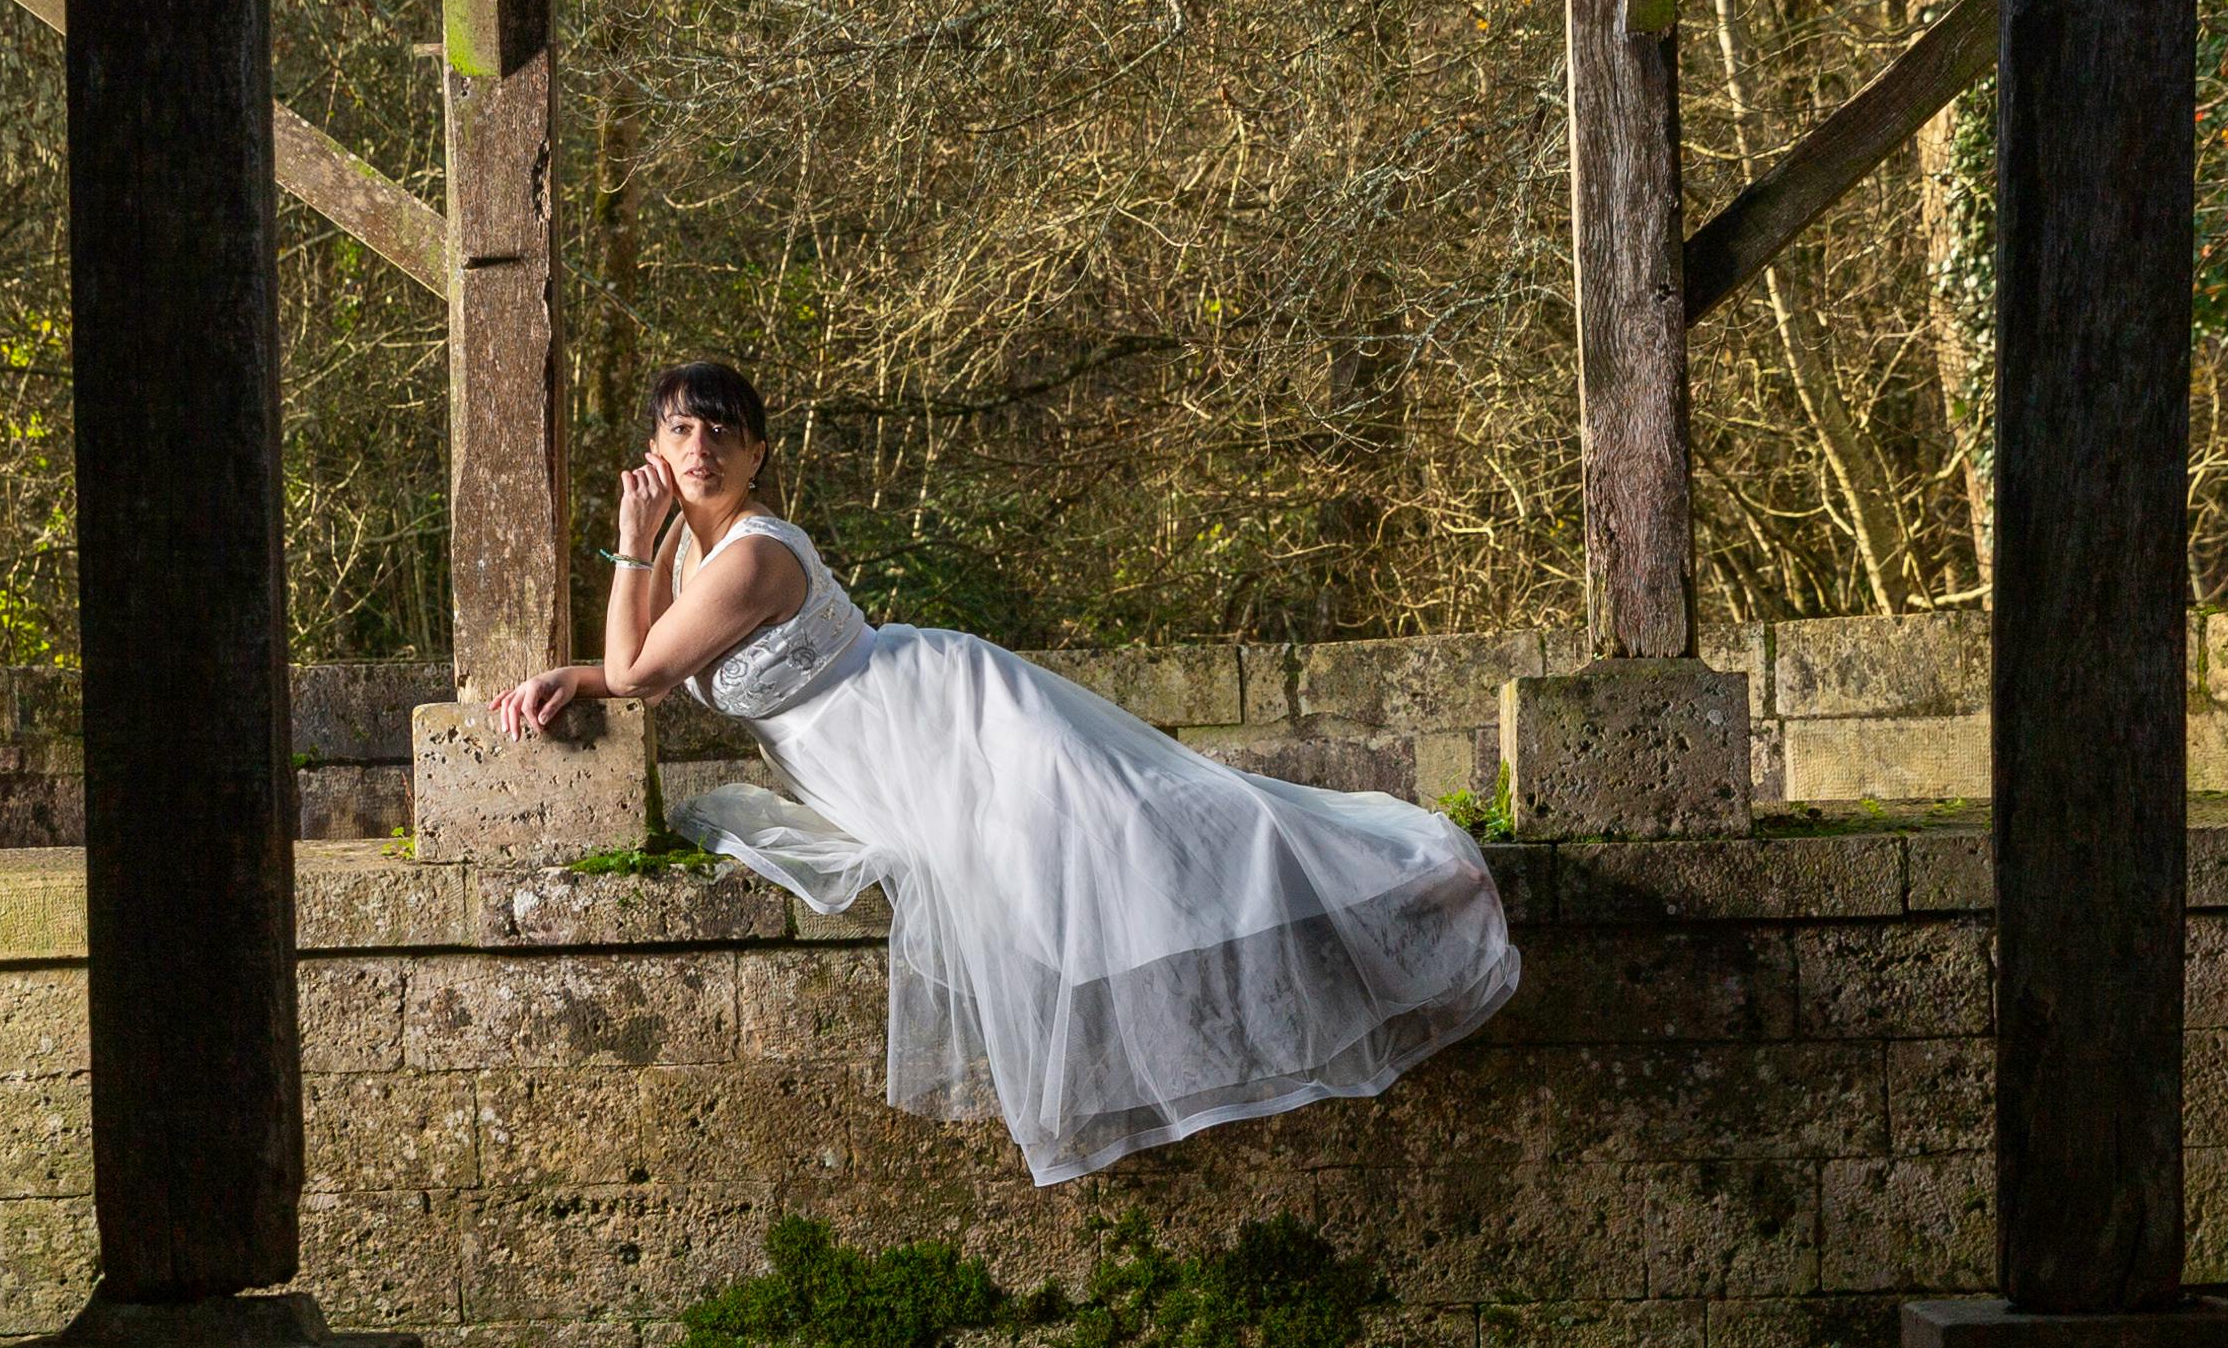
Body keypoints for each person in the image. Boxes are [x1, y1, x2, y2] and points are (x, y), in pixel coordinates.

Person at [487, 360, 1521, 1185]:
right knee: (1088, 869)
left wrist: (627, 543)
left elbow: (642, 670)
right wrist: (579, 675)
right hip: (890, 751)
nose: (700, 447)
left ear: (757, 454)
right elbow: (647, 674)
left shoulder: (751, 554)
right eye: (680, 429)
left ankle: (1405, 887)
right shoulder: (689, 564)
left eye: (722, 431)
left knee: (1145, 826)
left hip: (939, 717)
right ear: (654, 448)